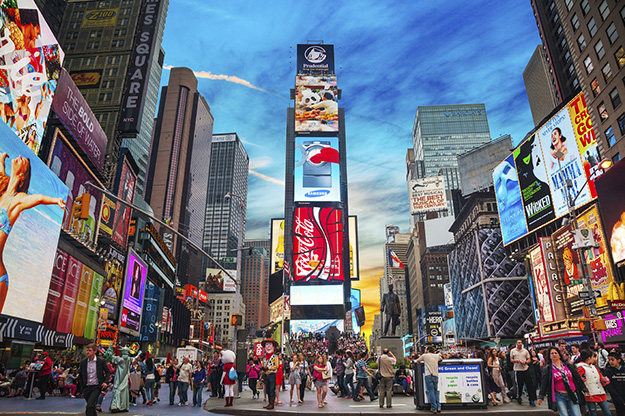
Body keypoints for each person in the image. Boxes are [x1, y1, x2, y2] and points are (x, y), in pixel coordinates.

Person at [0, 155, 66, 313]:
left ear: (22, 176)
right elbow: (1, 171)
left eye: (24, 162)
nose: (20, 157)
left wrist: (55, 200)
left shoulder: (18, 200)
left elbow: (38, 199)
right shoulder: (2, 190)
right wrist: (2, 159)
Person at [538, 347, 588, 416]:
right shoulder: (548, 369)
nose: (554, 354)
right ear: (549, 356)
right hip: (559, 396)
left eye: (556, 353)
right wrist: (541, 396)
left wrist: (584, 389)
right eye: (552, 353)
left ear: (559, 355)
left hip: (572, 394)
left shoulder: (568, 366)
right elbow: (544, 383)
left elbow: (577, 378)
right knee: (564, 414)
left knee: (577, 414)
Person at [575, 350, 612, 416]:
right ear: (589, 358)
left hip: (600, 392)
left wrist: (603, 380)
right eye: (593, 357)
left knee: (607, 413)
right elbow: (579, 380)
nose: (594, 359)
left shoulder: (594, 367)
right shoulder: (580, 367)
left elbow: (601, 377)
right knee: (593, 413)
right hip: (590, 394)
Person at [79, 343, 111, 416]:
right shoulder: (83, 362)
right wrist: (82, 386)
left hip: (96, 387)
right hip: (86, 387)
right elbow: (81, 374)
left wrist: (105, 382)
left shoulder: (101, 361)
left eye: (89, 350)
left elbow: (108, 371)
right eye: (87, 350)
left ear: (95, 351)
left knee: (89, 406)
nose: (87, 352)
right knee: (91, 406)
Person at [510, 339, 536, 406]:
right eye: (518, 343)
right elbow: (511, 359)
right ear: (516, 343)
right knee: (519, 385)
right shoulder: (513, 351)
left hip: (525, 369)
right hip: (518, 370)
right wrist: (517, 361)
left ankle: (531, 399)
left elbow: (529, 359)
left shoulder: (525, 351)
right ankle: (519, 397)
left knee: (529, 385)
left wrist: (526, 362)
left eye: (521, 343)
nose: (520, 344)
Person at [417, 346, 442, 414]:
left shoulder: (425, 356)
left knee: (430, 391)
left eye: (425, 349)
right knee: (436, 391)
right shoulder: (436, 356)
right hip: (435, 375)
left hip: (428, 375)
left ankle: (434, 408)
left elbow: (417, 360)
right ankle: (438, 407)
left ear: (428, 350)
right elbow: (441, 359)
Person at [604, 352, 625, 416]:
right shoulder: (608, 371)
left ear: (618, 360)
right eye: (609, 360)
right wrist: (618, 398)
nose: (610, 362)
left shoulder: (623, 369)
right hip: (616, 397)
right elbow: (609, 386)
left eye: (612, 360)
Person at [261, 338, 280, 410]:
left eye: (270, 345)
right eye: (267, 345)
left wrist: (268, 368)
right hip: (266, 375)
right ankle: (269, 403)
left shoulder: (275, 356)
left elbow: (276, 366)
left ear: (273, 347)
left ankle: (272, 404)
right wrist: (263, 368)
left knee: (272, 389)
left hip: (272, 374)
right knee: (268, 389)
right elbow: (263, 364)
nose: (268, 346)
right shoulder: (265, 357)